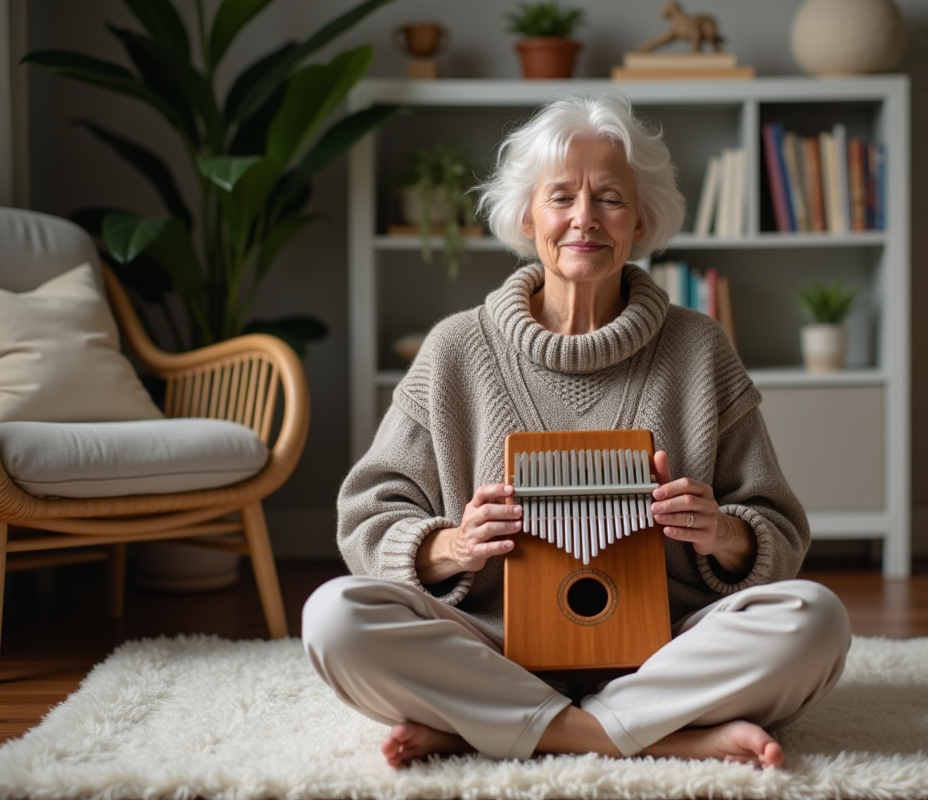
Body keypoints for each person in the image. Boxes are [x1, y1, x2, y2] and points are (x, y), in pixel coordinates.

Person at [302, 90, 851, 770]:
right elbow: (368, 516)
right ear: (526, 216)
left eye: (610, 198)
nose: (584, 218)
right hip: (493, 647)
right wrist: (453, 545)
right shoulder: (454, 349)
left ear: (641, 220)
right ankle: (660, 735)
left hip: (666, 649)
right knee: (335, 618)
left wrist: (723, 534)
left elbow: (779, 527)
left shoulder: (699, 347)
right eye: (560, 197)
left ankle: (494, 727)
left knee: (815, 619)